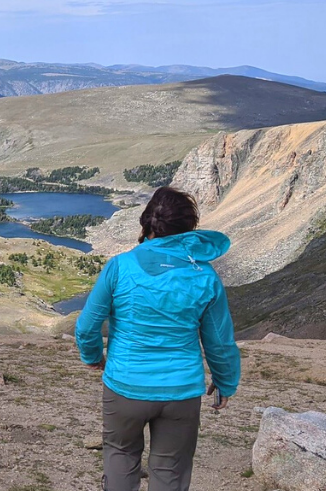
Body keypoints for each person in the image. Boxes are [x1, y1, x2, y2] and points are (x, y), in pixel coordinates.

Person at [74, 186, 241, 491]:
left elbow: (87, 326)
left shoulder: (119, 267)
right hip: (181, 392)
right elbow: (219, 341)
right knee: (170, 471)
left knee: (121, 456)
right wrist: (225, 381)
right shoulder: (205, 276)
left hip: (125, 386)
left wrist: (93, 356)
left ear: (147, 222)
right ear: (189, 228)